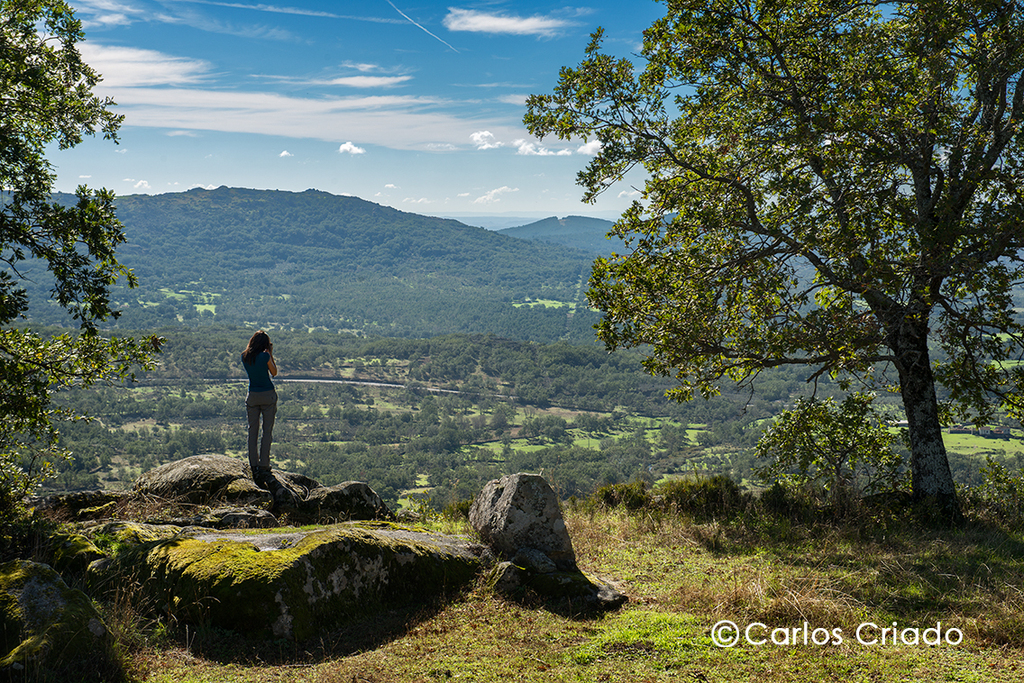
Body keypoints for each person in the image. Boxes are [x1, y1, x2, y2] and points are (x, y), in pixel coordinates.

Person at [241, 330, 278, 488]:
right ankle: (264, 465)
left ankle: (253, 465)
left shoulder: (245, 356)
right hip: (267, 395)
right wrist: (270, 354)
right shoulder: (265, 356)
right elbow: (274, 372)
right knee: (267, 431)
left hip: (252, 396)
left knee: (252, 432)